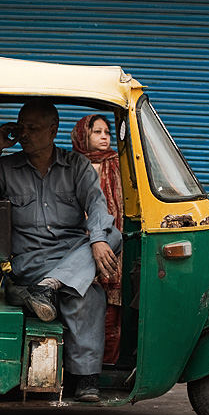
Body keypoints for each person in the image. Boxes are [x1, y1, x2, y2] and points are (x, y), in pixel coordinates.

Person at [0, 100, 122, 402]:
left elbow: (97, 204)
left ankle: (52, 288)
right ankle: (85, 377)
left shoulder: (76, 166)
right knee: (85, 292)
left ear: (53, 131)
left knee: (111, 235)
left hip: (71, 256)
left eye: (33, 129)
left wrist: (99, 239)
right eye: (21, 128)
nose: (24, 134)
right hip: (32, 263)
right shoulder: (7, 168)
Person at [71, 114, 124, 364]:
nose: (104, 137)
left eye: (107, 132)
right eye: (97, 132)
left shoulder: (117, 163)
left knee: (111, 308)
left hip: (109, 240)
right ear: (83, 135)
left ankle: (106, 365)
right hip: (75, 242)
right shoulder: (71, 165)